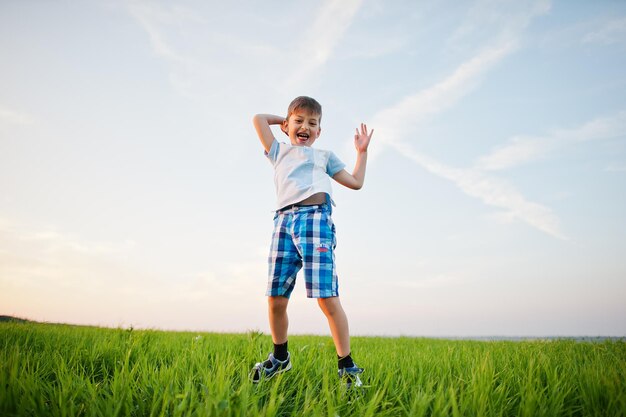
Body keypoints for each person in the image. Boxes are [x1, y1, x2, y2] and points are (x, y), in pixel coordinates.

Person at [250, 96, 373, 387]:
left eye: (312, 123)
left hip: (315, 220)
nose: (305, 127)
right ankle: (280, 358)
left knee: (326, 296)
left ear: (319, 131)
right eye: (299, 121)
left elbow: (356, 182)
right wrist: (284, 121)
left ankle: (347, 366)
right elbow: (257, 119)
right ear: (287, 126)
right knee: (275, 297)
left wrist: (362, 152)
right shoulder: (278, 151)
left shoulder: (324, 156)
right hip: (282, 223)